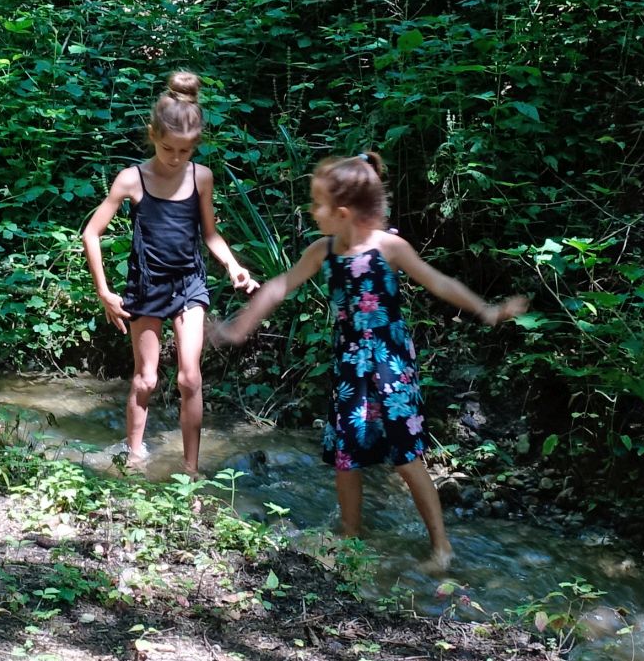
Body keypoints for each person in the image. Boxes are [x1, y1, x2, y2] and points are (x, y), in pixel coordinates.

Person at [212, 152, 527, 570]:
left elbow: (439, 281)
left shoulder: (388, 247)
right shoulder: (323, 250)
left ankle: (442, 548)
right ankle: (350, 536)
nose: (312, 210)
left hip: (391, 365)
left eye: (318, 203)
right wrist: (238, 328)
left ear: (343, 213)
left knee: (406, 455)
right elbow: (278, 287)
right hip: (349, 368)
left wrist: (486, 310)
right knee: (347, 451)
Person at [81, 71, 258, 477]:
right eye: (167, 148)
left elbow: (210, 235)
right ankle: (134, 456)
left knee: (190, 377)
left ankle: (191, 468)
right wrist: (104, 292)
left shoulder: (201, 177)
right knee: (146, 379)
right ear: (152, 134)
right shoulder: (132, 179)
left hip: (189, 284)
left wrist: (233, 266)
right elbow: (91, 234)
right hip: (146, 287)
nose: (176, 157)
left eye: (184, 150)